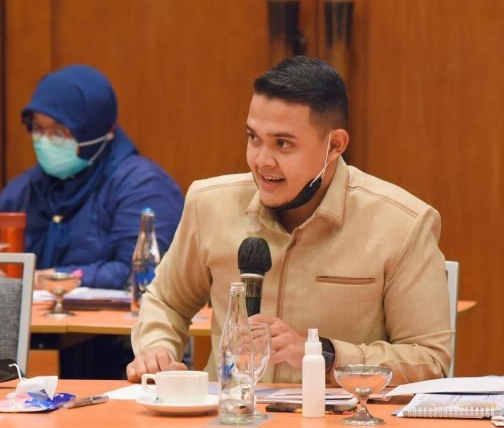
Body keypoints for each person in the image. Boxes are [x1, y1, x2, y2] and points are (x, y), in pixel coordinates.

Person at [128, 56, 452, 385]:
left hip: (336, 410)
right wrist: (156, 349)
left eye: (283, 144)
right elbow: (166, 301)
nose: (261, 160)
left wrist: (322, 354)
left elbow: (429, 358)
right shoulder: (209, 204)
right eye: (254, 138)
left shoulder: (402, 223)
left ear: (334, 145)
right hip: (229, 409)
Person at [0, 65, 184, 290]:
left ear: (101, 132)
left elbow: (138, 273)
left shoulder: (143, 186)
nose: (44, 141)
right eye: (37, 128)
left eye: (59, 132)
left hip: (108, 314)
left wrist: (57, 278)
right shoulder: (24, 189)